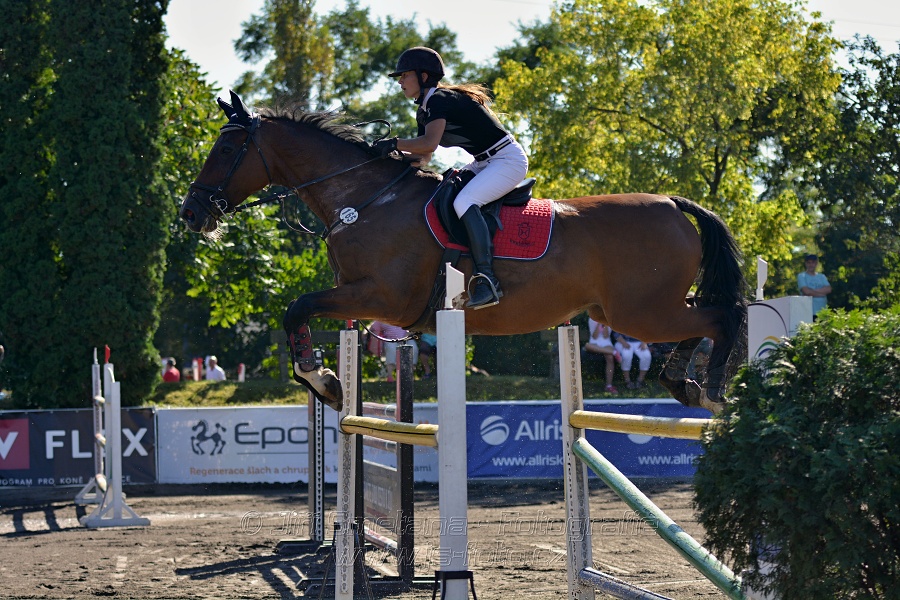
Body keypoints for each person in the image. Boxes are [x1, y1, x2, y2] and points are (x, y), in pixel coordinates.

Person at [373, 46, 529, 310]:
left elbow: (429, 143)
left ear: (424, 77)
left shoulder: (439, 99)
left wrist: (395, 143)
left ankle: (487, 279)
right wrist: (384, 163)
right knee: (445, 191)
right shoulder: (425, 107)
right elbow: (423, 159)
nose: (399, 81)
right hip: (484, 162)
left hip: (507, 161)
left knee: (464, 202)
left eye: (404, 75)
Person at [582, 318, 620, 394]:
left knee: (610, 358)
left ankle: (609, 385)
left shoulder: (608, 320)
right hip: (594, 343)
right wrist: (599, 323)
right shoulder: (592, 319)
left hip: (606, 343)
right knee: (587, 346)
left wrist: (604, 324)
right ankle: (614, 352)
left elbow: (606, 336)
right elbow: (594, 336)